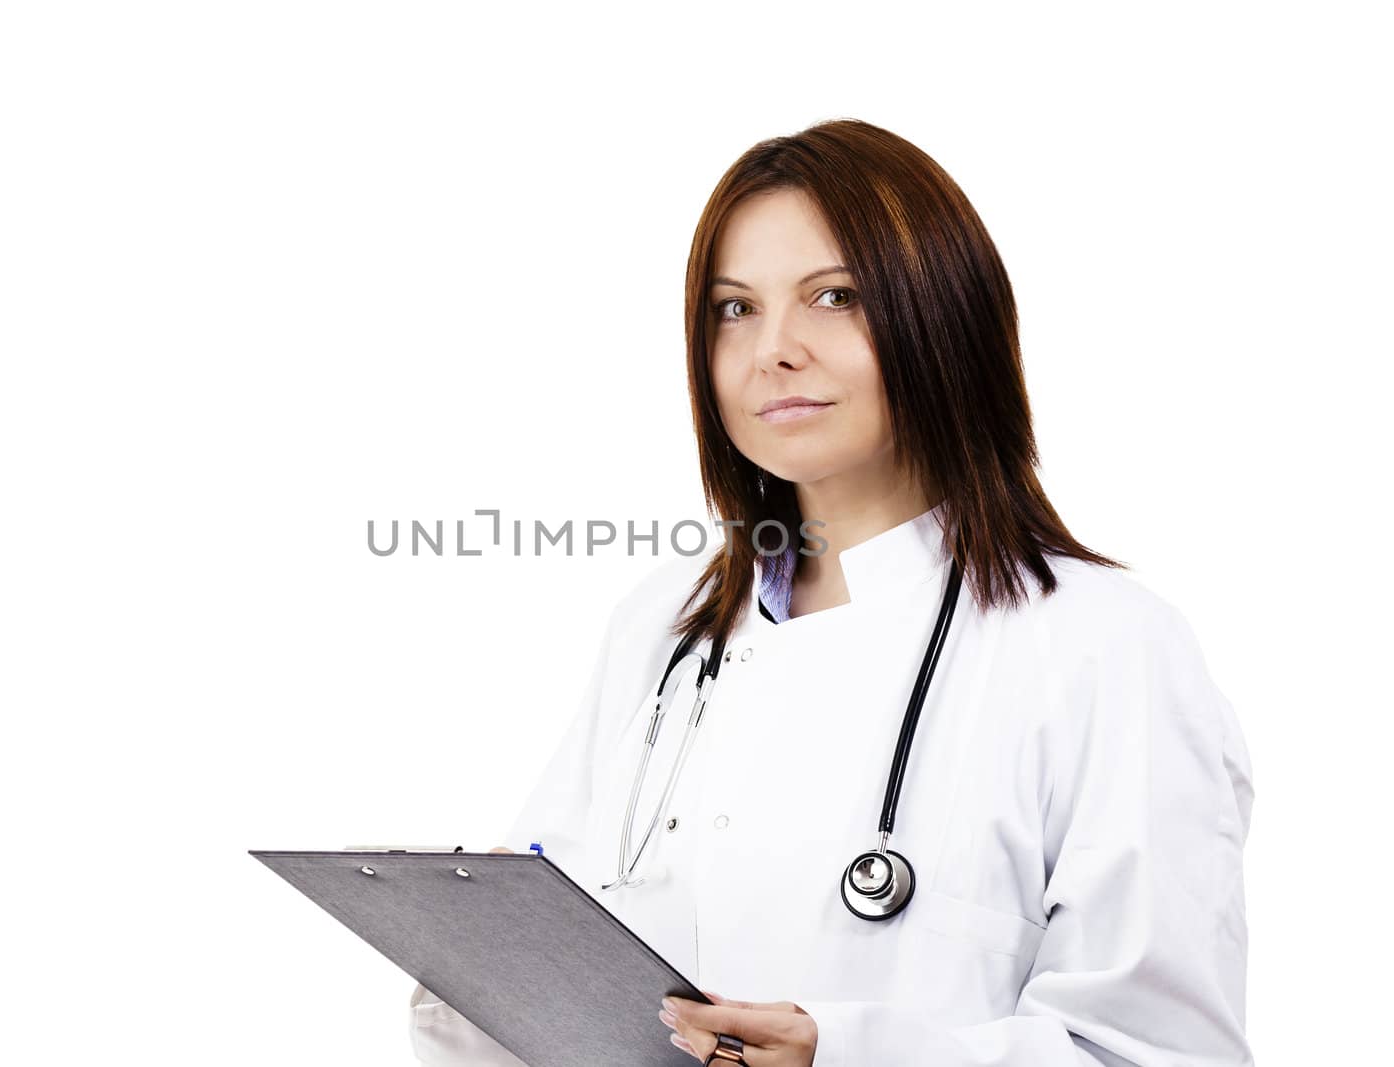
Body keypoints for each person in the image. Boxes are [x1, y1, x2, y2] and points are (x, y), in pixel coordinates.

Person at [407, 118, 1254, 1067]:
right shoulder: (666, 628)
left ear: (944, 315)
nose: (773, 349)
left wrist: (848, 1055)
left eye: (834, 296)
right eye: (734, 308)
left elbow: (1153, 1055)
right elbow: (535, 961)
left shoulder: (1104, 646)